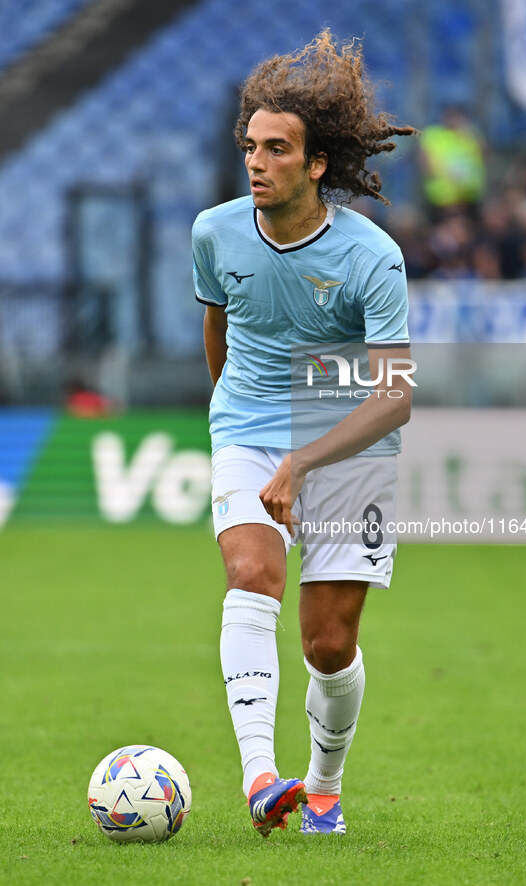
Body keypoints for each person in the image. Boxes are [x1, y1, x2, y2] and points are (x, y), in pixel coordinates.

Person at [192, 29, 416, 837]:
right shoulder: (214, 233)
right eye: (249, 145)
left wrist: (303, 457)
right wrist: (237, 429)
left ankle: (323, 786)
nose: (255, 161)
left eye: (276, 149)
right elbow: (218, 328)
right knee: (250, 573)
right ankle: (261, 779)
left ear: (315, 163)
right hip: (251, 427)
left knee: (327, 644)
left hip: (347, 438)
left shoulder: (370, 258)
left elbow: (394, 399)